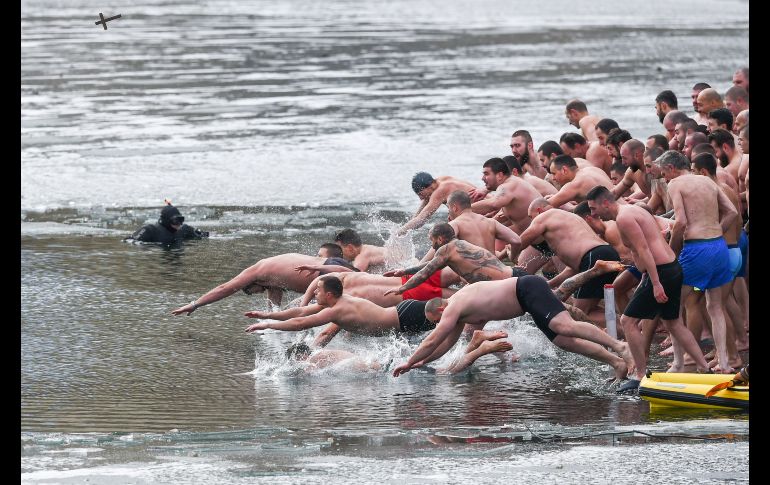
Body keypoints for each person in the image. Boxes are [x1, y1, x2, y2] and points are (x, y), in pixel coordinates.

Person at [390, 273, 635, 381]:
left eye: (437, 320)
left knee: (564, 325)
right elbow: (446, 343)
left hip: (527, 288)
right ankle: (616, 363)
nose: (440, 324)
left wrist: (409, 361)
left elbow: (433, 339)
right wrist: (423, 362)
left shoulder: (453, 307)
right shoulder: (459, 312)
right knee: (563, 341)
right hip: (526, 301)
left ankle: (619, 346)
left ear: (440, 310)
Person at [586, 185, 710, 391]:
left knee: (628, 321)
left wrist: (654, 283)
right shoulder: (634, 211)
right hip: (670, 268)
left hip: (661, 272)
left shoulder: (624, 218)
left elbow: (644, 250)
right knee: (674, 323)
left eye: (593, 208)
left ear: (605, 203)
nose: (593, 214)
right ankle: (705, 369)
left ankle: (640, 375)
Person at [657, 150, 739, 373]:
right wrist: (714, 233)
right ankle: (724, 363)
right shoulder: (708, 181)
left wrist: (671, 251)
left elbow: (681, 221)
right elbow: (732, 212)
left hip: (696, 251)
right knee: (715, 306)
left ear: (672, 168)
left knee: (674, 307)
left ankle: (678, 363)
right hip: (718, 247)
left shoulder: (676, 184)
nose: (665, 178)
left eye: (664, 173)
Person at [513, 197, 621, 324]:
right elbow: (573, 269)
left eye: (531, 217)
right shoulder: (569, 219)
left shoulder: (545, 216)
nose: (532, 221)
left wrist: (512, 255)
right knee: (589, 309)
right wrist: (549, 284)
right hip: (606, 253)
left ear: (539, 210)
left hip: (594, 257)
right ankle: (626, 327)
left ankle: (627, 330)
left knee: (579, 312)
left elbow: (521, 240)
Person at [244, 275, 440, 336]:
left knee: (456, 316)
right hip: (403, 319)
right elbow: (301, 311)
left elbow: (299, 323)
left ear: (329, 295)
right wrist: (265, 315)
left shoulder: (337, 309)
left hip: (408, 315)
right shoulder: (336, 301)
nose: (314, 293)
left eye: (317, 290)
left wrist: (268, 326)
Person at [171, 249, 360, 312]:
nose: (260, 293)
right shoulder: (271, 279)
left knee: (360, 302)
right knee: (369, 287)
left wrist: (195, 304)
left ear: (253, 283)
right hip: (332, 264)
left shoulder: (257, 270)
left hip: (326, 274)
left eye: (255, 291)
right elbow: (274, 308)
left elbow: (225, 288)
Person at [397, 172, 476, 235]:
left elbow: (421, 220)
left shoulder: (441, 190)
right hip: (474, 210)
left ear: (429, 187)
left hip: (481, 210)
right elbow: (418, 215)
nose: (420, 198)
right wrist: (405, 227)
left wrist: (397, 233)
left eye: (420, 194)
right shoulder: (438, 182)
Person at [544, 154, 615, 209]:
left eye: (554, 173)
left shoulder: (575, 183)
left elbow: (544, 207)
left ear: (564, 170)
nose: (553, 178)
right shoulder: (593, 169)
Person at [126, 202, 209, 244]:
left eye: (181, 220)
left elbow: (205, 235)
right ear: (166, 220)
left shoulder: (184, 229)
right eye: (176, 220)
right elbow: (129, 241)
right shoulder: (150, 230)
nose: (179, 224)